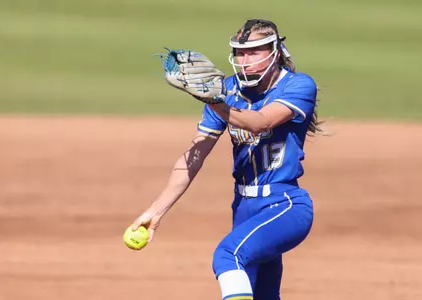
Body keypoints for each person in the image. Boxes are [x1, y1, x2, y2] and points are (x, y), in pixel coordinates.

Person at [131, 19, 323, 300]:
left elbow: (259, 122)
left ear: (276, 52)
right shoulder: (226, 90)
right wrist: (156, 210)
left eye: (254, 52)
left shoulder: (298, 85)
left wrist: (215, 102)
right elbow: (194, 156)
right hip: (244, 208)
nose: (245, 60)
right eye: (240, 53)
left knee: (228, 255)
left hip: (285, 205)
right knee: (263, 295)